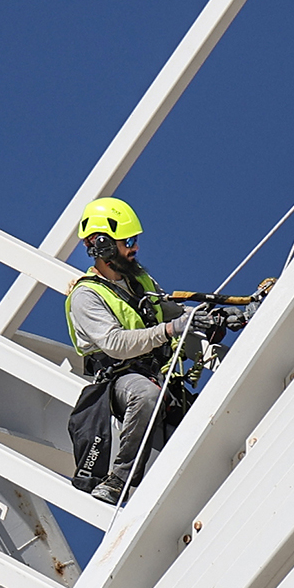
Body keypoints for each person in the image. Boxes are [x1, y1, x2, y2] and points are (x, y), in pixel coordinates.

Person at [64, 197, 244, 504]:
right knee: (146, 396)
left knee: (208, 418)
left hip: (159, 375)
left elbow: (173, 312)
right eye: (128, 241)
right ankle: (120, 478)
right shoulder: (86, 296)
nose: (134, 248)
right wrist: (170, 330)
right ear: (103, 246)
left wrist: (216, 317)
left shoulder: (139, 281)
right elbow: (116, 344)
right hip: (121, 380)